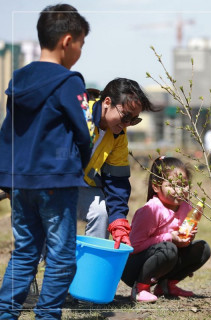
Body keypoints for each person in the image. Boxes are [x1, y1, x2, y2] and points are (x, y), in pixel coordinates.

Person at [0, 4, 91, 319]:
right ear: (68, 41)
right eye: (81, 43)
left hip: (21, 181)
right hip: (56, 180)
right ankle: (47, 316)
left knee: (24, 253)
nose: (80, 50)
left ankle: (5, 314)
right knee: (62, 258)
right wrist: (83, 162)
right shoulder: (69, 82)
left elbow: (7, 133)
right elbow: (84, 131)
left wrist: (5, 179)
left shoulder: (18, 79)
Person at [121, 156, 211, 302]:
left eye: (184, 184)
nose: (179, 190)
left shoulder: (186, 207)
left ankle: (166, 285)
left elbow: (179, 242)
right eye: (173, 185)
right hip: (133, 267)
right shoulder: (151, 211)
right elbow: (133, 247)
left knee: (203, 248)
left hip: (164, 259)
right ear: (156, 186)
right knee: (169, 249)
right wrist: (169, 237)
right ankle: (140, 288)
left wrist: (186, 240)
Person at [76, 78, 153, 248]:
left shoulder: (119, 135)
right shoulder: (80, 115)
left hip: (80, 187)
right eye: (125, 116)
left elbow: (116, 179)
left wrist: (118, 219)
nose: (127, 124)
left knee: (101, 212)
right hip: (50, 182)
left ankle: (93, 266)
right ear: (107, 102)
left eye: (134, 120)